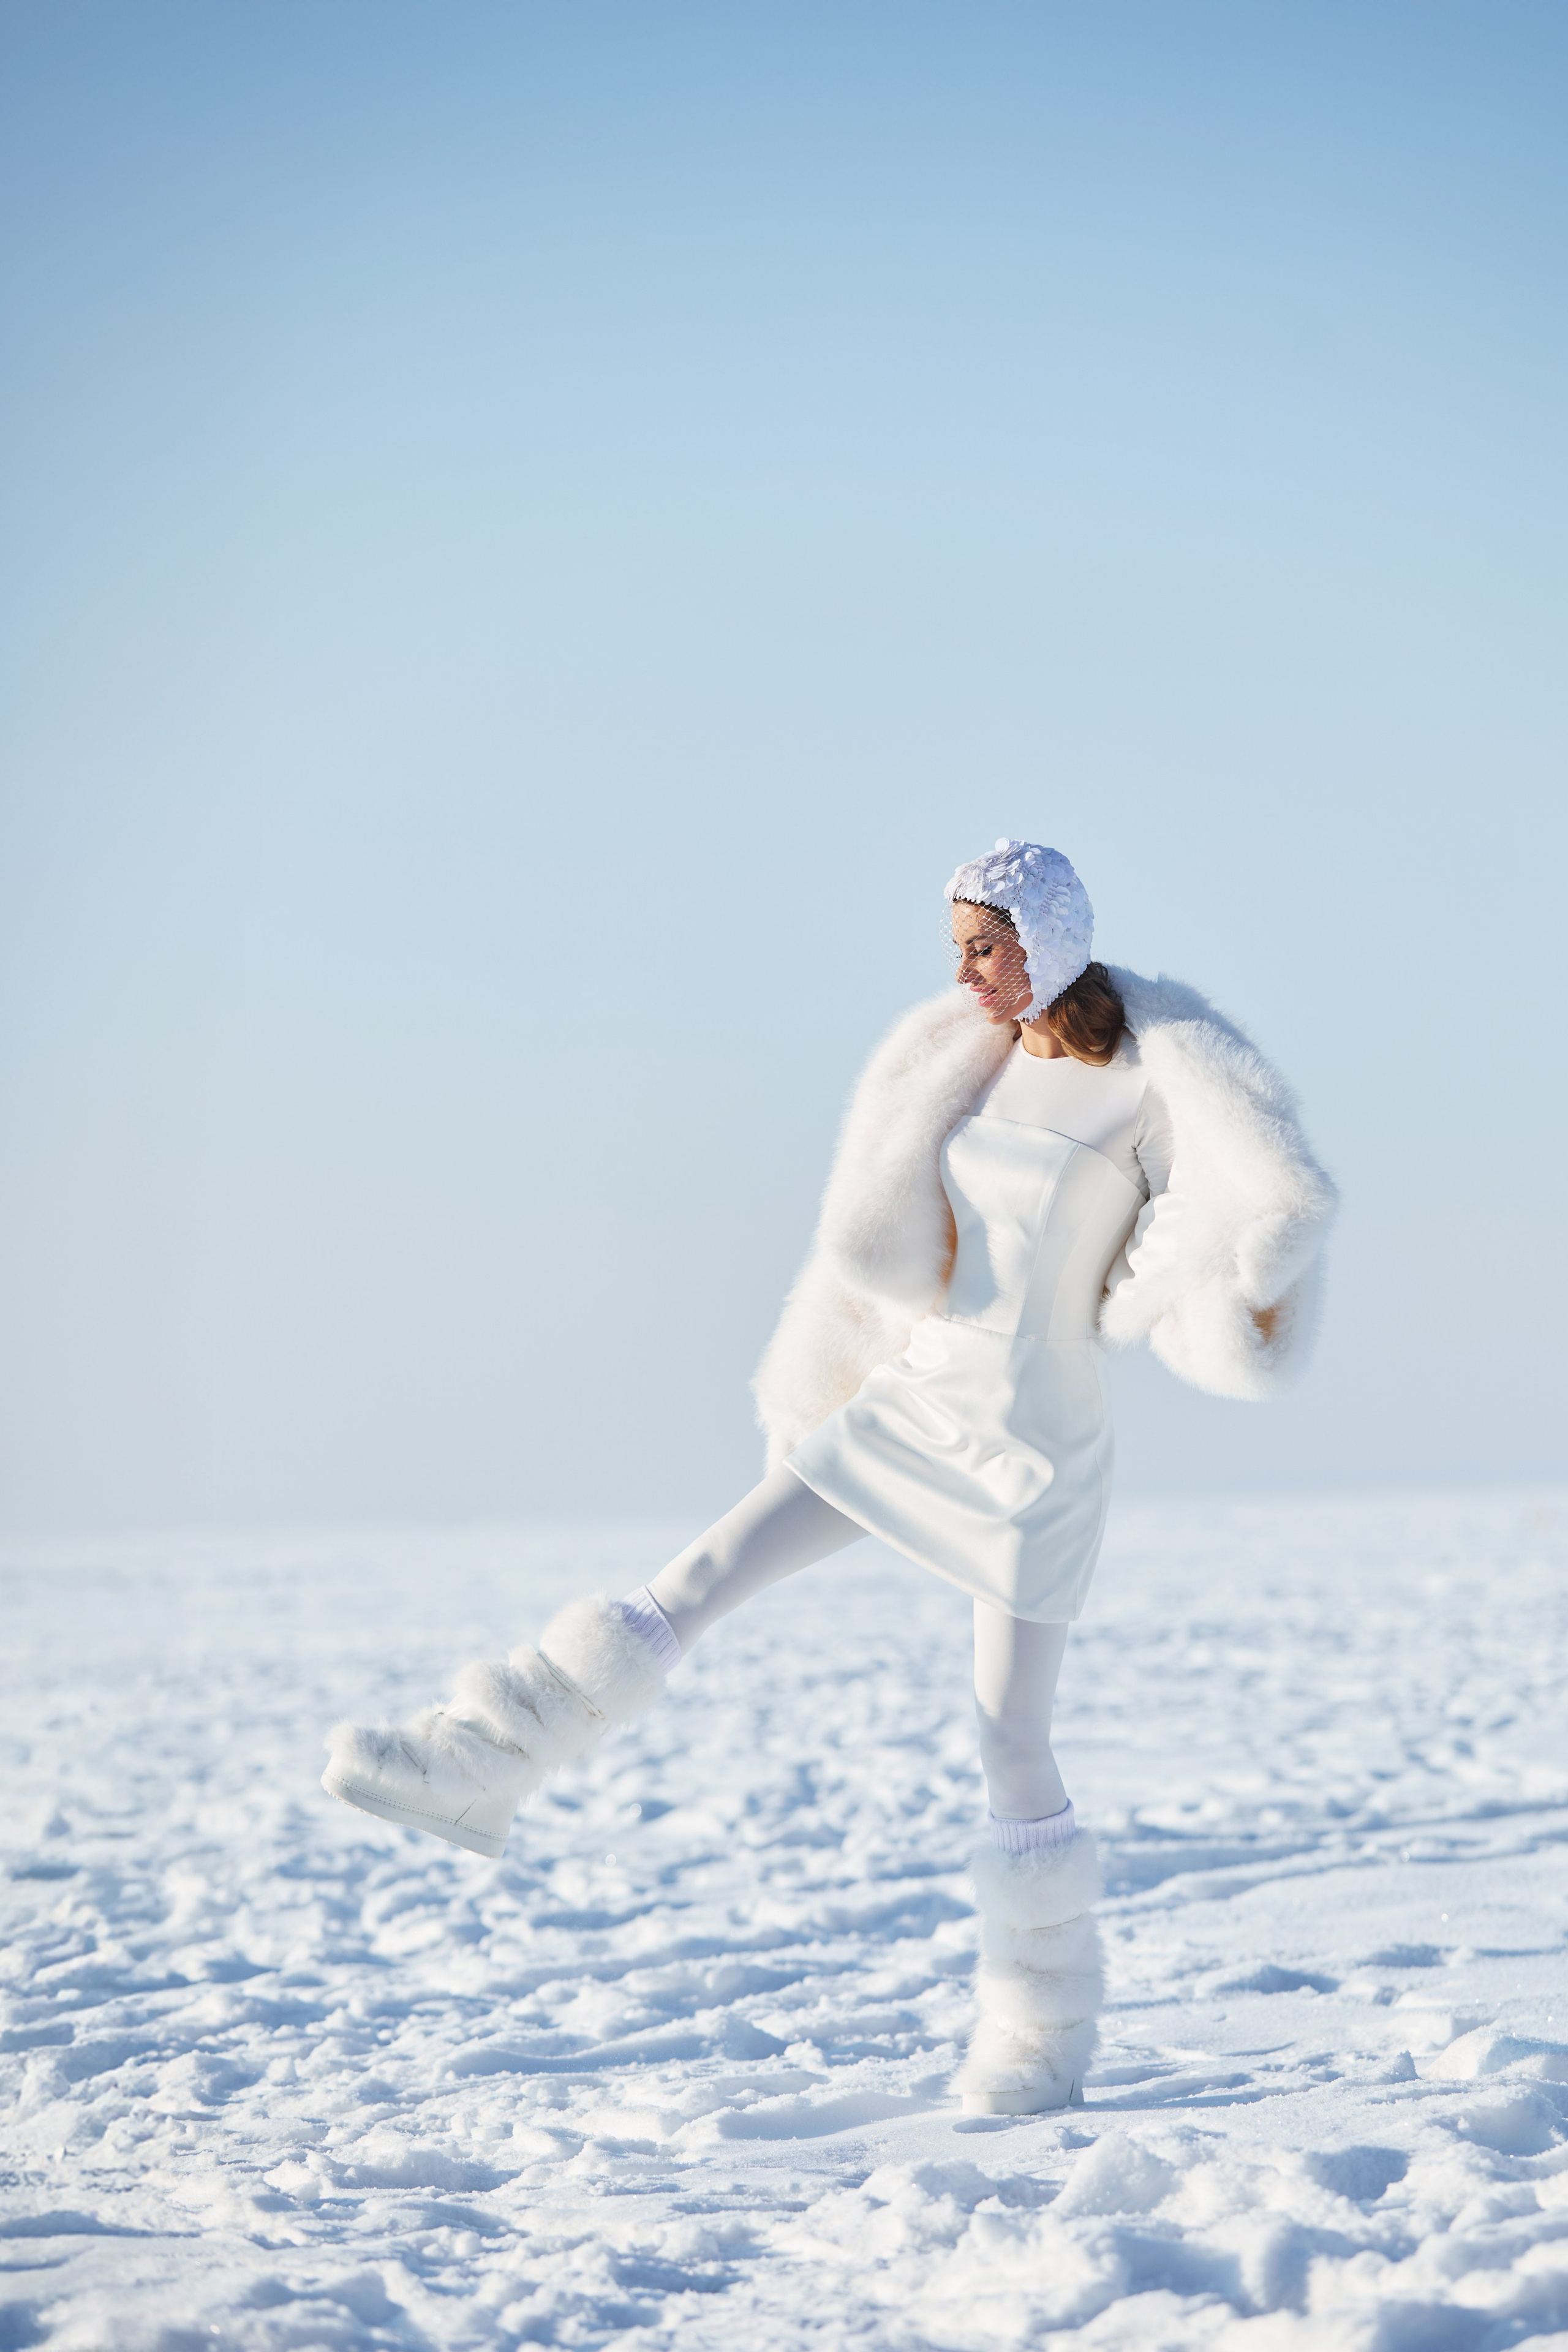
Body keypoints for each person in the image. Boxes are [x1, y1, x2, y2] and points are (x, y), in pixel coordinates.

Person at [323, 839, 1336, 2115]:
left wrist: (1221, 1279)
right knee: (698, 1576)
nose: (965, 973)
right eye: (956, 949)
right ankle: (472, 1766)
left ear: (1049, 936)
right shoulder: (961, 1063)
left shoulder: (1147, 1083)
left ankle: (1036, 2041)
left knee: (1007, 1737)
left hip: (1039, 1428)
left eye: (986, 945)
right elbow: (899, 1228)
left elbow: (1228, 1218)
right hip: (918, 1392)